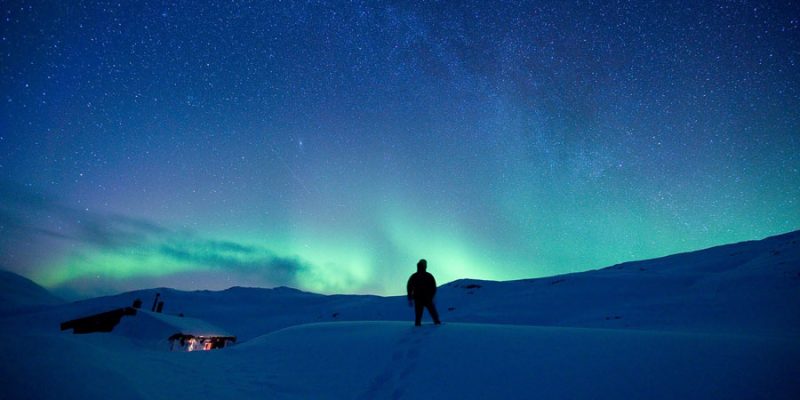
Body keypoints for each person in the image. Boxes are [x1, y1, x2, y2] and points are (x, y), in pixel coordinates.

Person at [407, 259, 441, 326]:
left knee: (419, 315)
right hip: (426, 298)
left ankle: (417, 327)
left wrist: (410, 297)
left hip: (418, 298)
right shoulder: (428, 276)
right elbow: (433, 287)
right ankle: (437, 324)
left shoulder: (414, 276)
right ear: (425, 266)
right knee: (432, 312)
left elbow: (409, 287)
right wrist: (431, 296)